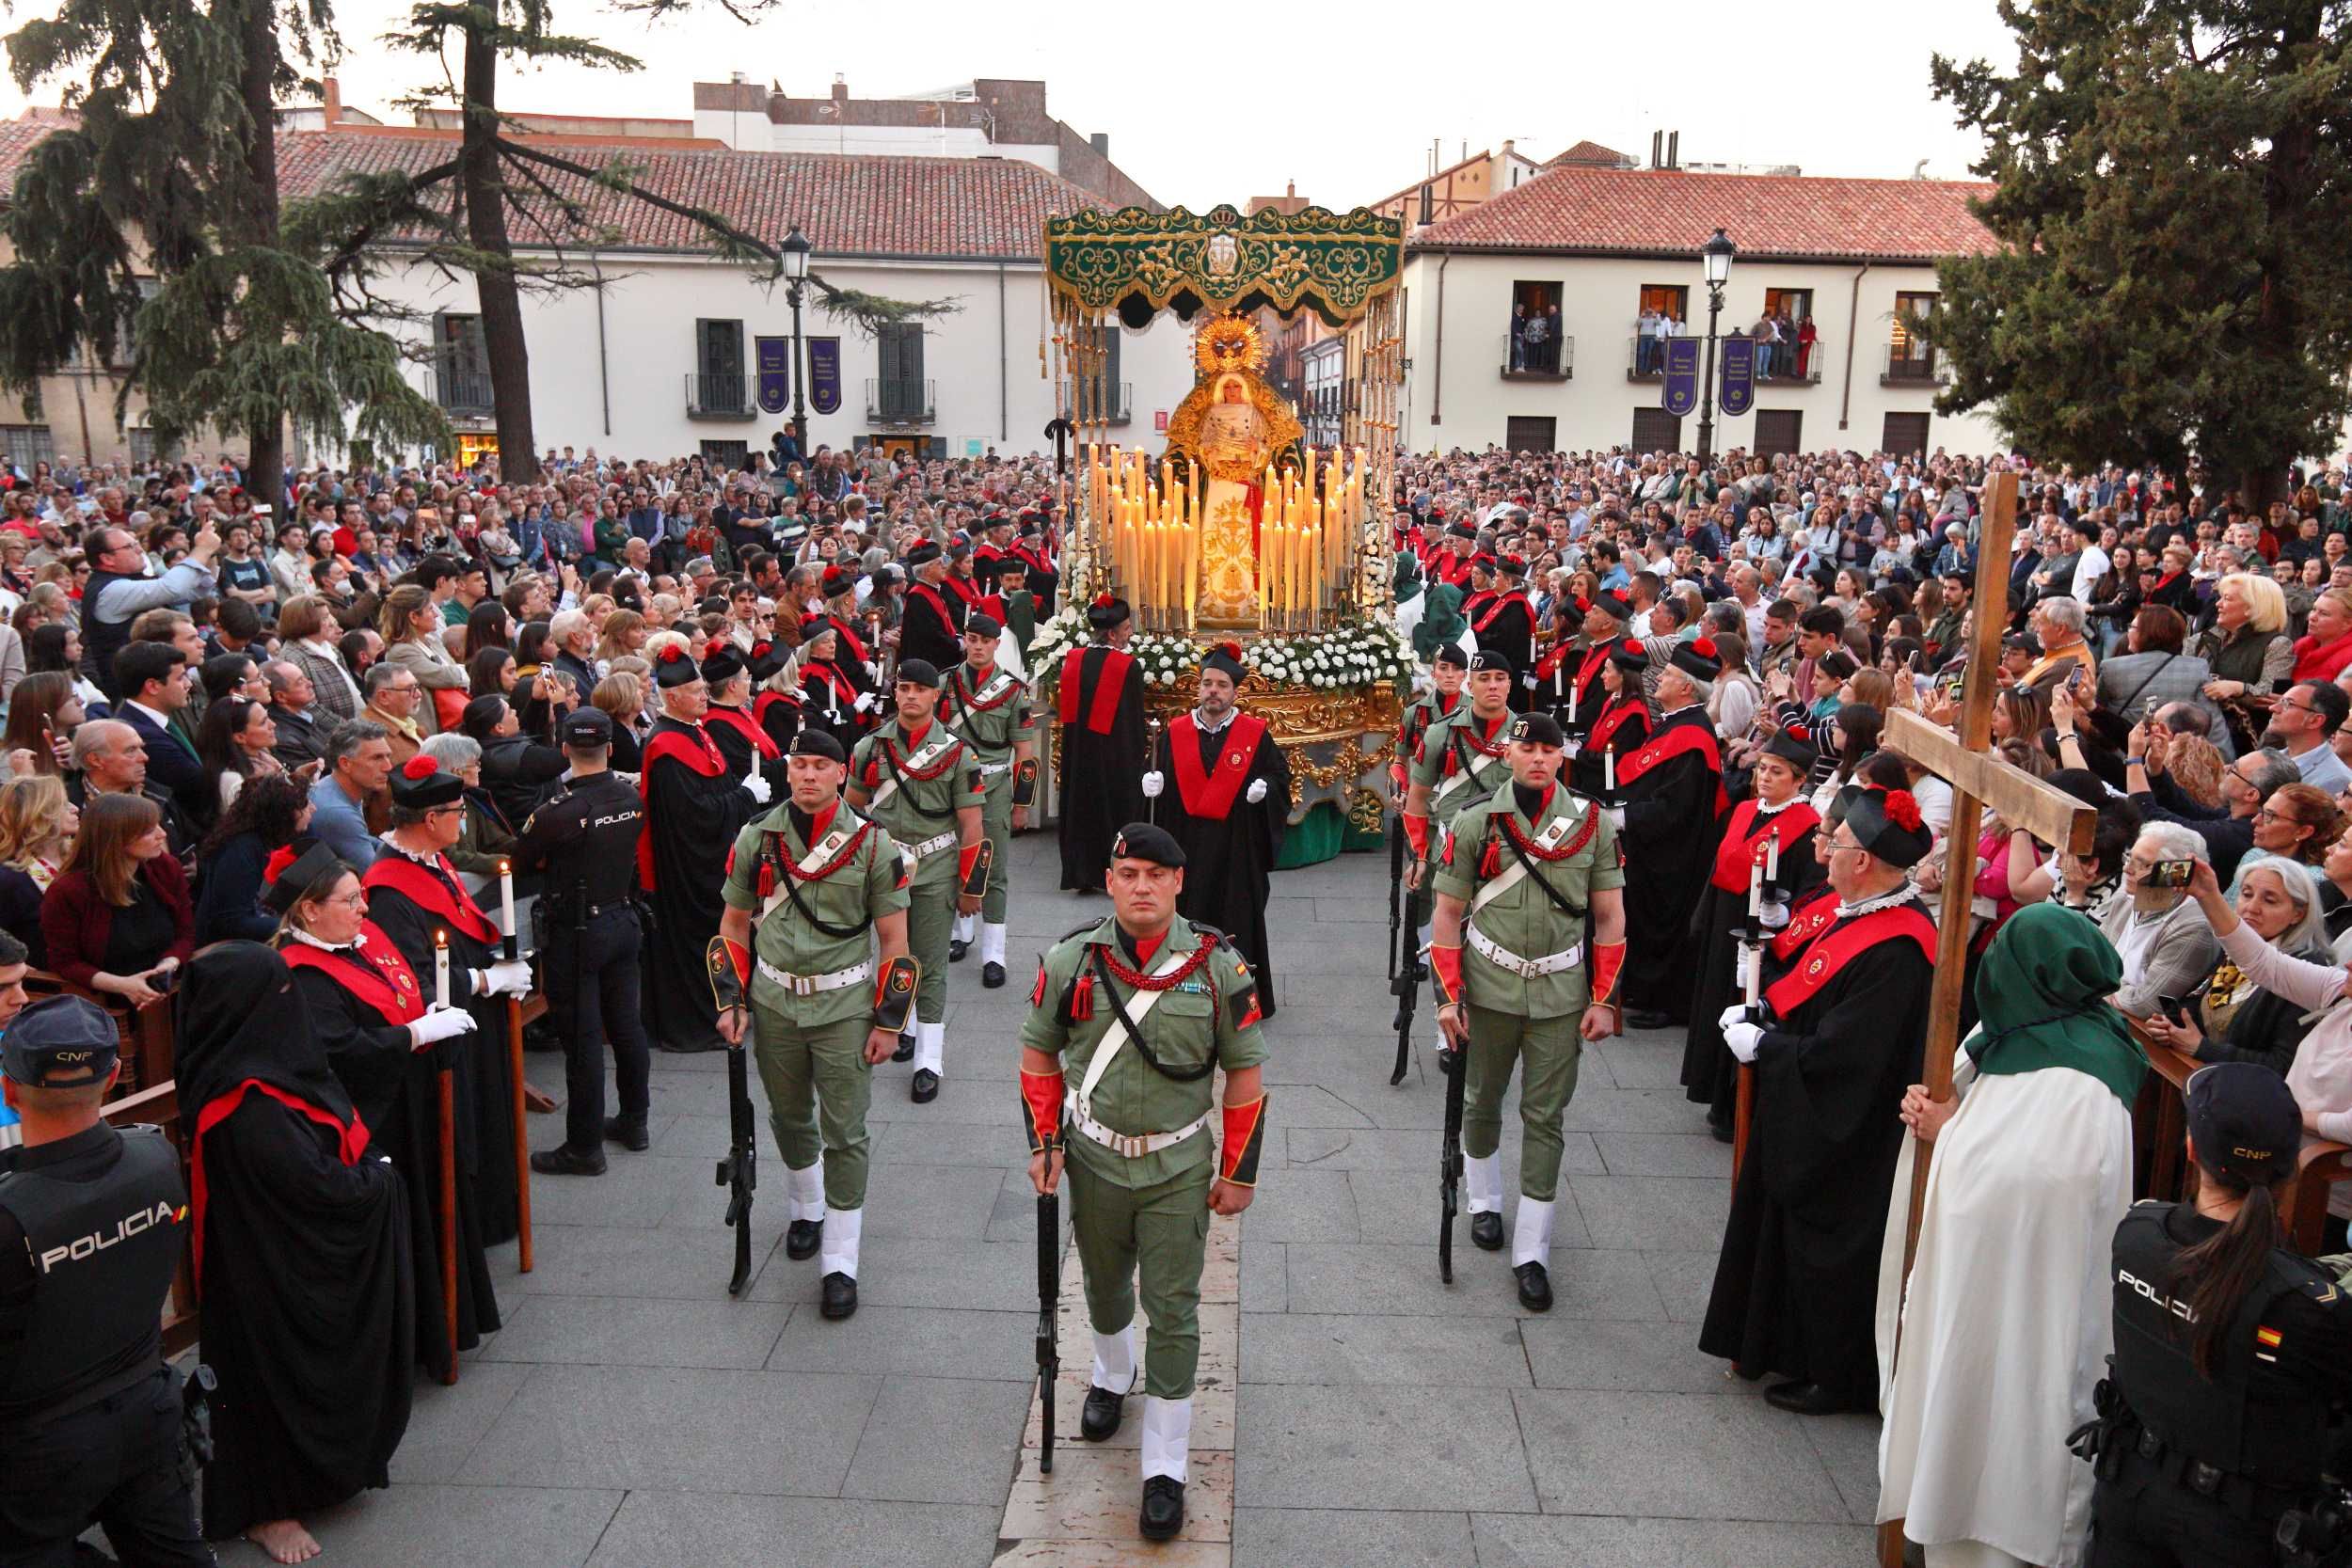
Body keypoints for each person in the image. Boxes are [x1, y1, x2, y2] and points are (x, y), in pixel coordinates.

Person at [1873, 903, 2144, 1568]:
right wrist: (1948, 1116)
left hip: (2033, 1297)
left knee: (2016, 1420)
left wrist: (1952, 1132)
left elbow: (2042, 1180)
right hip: (1980, 1284)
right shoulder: (2016, 1032)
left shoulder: (2088, 1072)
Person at [1018, 823, 1267, 1543]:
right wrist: (1044, 1142)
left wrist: (1239, 1169)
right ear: (1109, 878)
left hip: (1178, 1168)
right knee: (1102, 1287)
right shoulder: (1072, 959)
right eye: (1128, 872)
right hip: (1094, 1161)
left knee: (1176, 1310)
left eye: (1156, 874)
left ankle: (1164, 1466)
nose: (1142, 886)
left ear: (1178, 882)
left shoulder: (1219, 966)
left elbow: (1245, 1072)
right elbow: (1038, 1052)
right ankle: (1111, 1373)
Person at [1701, 784, 1937, 1414]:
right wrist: (1764, 1010)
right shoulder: (1858, 911)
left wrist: (1770, 1049)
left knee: (1830, 1240)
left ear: (1863, 860)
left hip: (1850, 1127)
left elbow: (1845, 1057)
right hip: (1807, 1100)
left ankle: (1834, 1371)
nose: (1823, 851)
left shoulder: (1899, 947)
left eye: (1834, 843)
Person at [174, 942, 411, 1566]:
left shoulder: (258, 1067)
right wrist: (379, 1181)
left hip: (276, 1256)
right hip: (262, 1272)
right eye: (279, 994)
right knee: (263, 1380)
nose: (293, 1004)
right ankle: (264, 1507)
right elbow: (312, 1185)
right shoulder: (244, 1104)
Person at [2077, 1063, 2352, 1566]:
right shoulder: (2306, 1306)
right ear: (2291, 1165)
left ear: (2190, 1148)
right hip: (2242, 1534)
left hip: (2130, 1499)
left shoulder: (2138, 1237)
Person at [269, 843, 493, 1381]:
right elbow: (340, 1052)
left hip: (412, 1102)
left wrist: (424, 1011)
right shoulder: (303, 973)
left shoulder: (355, 941)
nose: (365, 910)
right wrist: (413, 1033)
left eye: (362, 897)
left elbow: (398, 989)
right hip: (378, 1118)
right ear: (309, 911)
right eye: (351, 901)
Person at [713, 729, 914, 1319]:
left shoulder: (875, 847)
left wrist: (890, 1022)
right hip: (774, 1002)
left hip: (845, 1008)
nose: (807, 776)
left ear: (840, 775)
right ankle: (807, 1208)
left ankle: (841, 1260)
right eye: (798, 764)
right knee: (788, 1116)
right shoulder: (757, 837)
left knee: (846, 1132)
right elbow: (733, 922)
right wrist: (732, 1000)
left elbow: (895, 939)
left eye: (820, 766)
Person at [0, 993, 206, 1567]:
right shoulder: (155, 1156)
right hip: (149, 1407)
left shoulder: (11, 1215)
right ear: (114, 1076)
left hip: (38, 1445)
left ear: (10, 1089)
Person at [1427, 712, 1624, 1307]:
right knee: (1481, 1101)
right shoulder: (1473, 822)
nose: (1538, 758)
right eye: (1528, 747)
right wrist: (1447, 995)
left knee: (1546, 1118)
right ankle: (1485, 1202)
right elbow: (1445, 916)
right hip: (1488, 988)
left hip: (1562, 994)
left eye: (1549, 748)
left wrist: (1605, 1000)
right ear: (1510, 753)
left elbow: (1610, 918)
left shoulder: (1592, 824)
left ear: (1562, 756)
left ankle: (1533, 1251)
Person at [362, 756, 535, 1245]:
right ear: (432, 820)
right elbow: (413, 977)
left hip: (475, 1016)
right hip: (444, 1028)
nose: (465, 819)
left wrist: (505, 964)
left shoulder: (433, 860)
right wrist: (484, 980)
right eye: (460, 811)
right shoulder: (388, 889)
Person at [510, 707, 652, 1175]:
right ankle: (634, 1120)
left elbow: (523, 860)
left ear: (565, 749)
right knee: (627, 1026)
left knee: (584, 1039)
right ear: (611, 748)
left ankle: (585, 1146)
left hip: (577, 932)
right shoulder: (631, 798)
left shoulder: (558, 812)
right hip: (622, 919)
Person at [847, 659, 984, 1102]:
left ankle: (929, 1059)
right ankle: (896, 1026)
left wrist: (970, 886)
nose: (910, 695)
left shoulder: (959, 754)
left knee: (930, 964)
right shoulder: (870, 747)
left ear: (934, 696)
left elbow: (972, 825)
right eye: (903, 687)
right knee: (889, 955)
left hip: (935, 870)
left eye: (919, 689)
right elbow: (849, 815)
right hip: (883, 870)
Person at [1680, 721, 1824, 1140]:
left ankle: (1737, 1108)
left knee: (1745, 1010)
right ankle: (1712, 1092)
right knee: (1715, 1007)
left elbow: (1810, 890)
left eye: (1777, 771)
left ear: (1798, 779)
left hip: (1763, 938)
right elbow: (1720, 867)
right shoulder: (1745, 811)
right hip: (1725, 926)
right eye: (1762, 768)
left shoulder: (1806, 826)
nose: (1764, 777)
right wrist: (1703, 916)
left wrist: (1784, 914)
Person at [1143, 642, 1289, 1019]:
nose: (1213, 691)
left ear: (1234, 692)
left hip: (1236, 850)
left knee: (1238, 918)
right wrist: (1148, 787)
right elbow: (1153, 781)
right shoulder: (1175, 732)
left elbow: (1279, 778)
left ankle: (1241, 998)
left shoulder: (1254, 734)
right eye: (1207, 683)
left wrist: (1266, 791)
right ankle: (1178, 989)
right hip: (1185, 847)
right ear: (1198, 688)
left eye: (1221, 685)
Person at [637, 642, 768, 1053]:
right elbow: (693, 816)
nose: (704, 698)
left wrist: (740, 794)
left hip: (712, 858)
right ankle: (699, 1021)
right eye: (696, 692)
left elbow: (717, 788)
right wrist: (744, 798)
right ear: (673, 697)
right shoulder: (666, 745)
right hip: (690, 867)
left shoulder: (693, 731)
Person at [1614, 637, 1730, 1030]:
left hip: (1673, 854)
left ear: (1686, 687)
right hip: (1650, 847)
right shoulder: (1677, 724)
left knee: (1662, 921)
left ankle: (1661, 999)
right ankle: (1638, 987)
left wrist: (1626, 817)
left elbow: (1675, 807)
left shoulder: (1693, 735)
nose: (1658, 679)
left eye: (1666, 675)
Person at [2139, 851, 2328, 1076]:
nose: (2252, 907)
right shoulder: (2236, 948)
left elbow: (2284, 1066)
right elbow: (2195, 1004)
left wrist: (2203, 1048)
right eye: (2246, 894)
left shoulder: (2307, 969)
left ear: (2298, 914)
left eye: (2269, 900)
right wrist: (2169, 1026)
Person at [937, 612, 1035, 984]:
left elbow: (1024, 753)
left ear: (997, 645)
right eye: (972, 639)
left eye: (985, 641)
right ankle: (959, 934)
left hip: (993, 788)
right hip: (947, 788)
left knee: (993, 868)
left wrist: (1021, 805)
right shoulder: (945, 683)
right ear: (965, 640)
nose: (977, 647)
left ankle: (994, 954)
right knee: (949, 861)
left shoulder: (1012, 691)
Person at [42, 789, 194, 1005]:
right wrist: (123, 985)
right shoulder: (68, 890)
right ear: (117, 838)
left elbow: (185, 933)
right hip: (104, 1002)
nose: (163, 834)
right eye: (149, 831)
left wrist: (169, 963)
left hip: (170, 990)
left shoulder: (166, 868)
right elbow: (66, 962)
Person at [1056, 594, 1148, 893]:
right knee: (1114, 807)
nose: (1130, 632)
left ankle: (1081, 871)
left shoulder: (1073, 660)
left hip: (1078, 753)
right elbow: (1133, 720)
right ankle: (1116, 869)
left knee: (1082, 807)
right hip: (1115, 754)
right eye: (1126, 627)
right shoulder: (1127, 666)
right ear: (1111, 633)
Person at [2092, 823, 2221, 1018]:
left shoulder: (2193, 928)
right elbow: (2090, 959)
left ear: (2176, 874)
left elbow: (2146, 1004)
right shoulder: (2126, 896)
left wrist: (2099, 985)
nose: (2127, 869)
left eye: (2143, 864)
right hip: (2099, 1011)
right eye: (2129, 858)